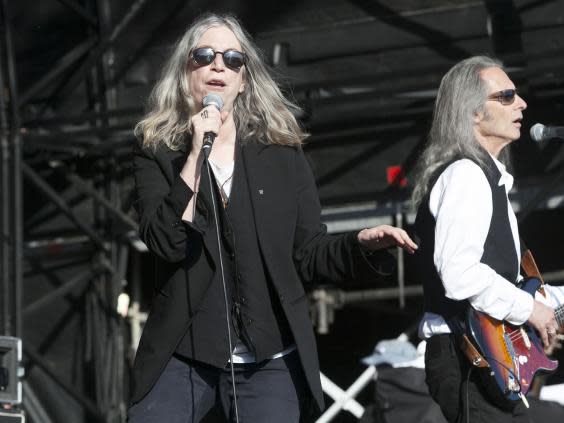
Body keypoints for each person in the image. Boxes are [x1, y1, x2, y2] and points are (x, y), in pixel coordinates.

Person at [128, 13, 418, 423]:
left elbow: (309, 253)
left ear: (243, 80)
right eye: (205, 56)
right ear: (184, 73)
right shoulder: (157, 151)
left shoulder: (280, 153)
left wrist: (359, 243)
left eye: (232, 59)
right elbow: (168, 241)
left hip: (268, 356)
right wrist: (195, 154)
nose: (218, 66)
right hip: (186, 354)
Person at [411, 55, 564, 423]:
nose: (522, 103)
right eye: (507, 96)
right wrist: (530, 310)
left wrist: (543, 304)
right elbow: (459, 273)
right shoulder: (466, 175)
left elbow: (514, 284)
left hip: (487, 358)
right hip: (466, 360)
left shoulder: (486, 178)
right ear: (474, 113)